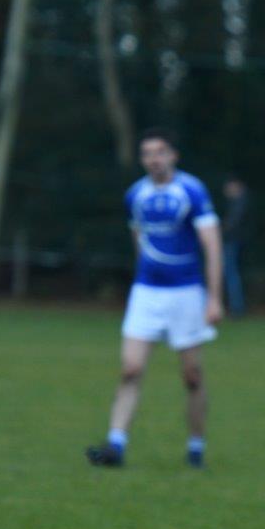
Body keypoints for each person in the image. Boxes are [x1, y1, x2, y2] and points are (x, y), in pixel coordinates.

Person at [85, 128, 223, 469]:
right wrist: (140, 281)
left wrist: (214, 297)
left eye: (160, 152)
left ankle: (195, 447)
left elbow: (212, 243)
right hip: (147, 292)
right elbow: (139, 240)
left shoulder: (191, 190)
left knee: (191, 375)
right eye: (147, 153)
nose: (153, 159)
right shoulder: (135, 195)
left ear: (173, 155)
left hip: (186, 292)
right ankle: (116, 445)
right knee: (130, 369)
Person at [221, 176, 249, 317]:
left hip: (231, 242)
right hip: (235, 242)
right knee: (232, 273)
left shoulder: (239, 203)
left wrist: (219, 232)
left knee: (231, 274)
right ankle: (234, 306)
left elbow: (232, 224)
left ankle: (236, 308)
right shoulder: (239, 202)